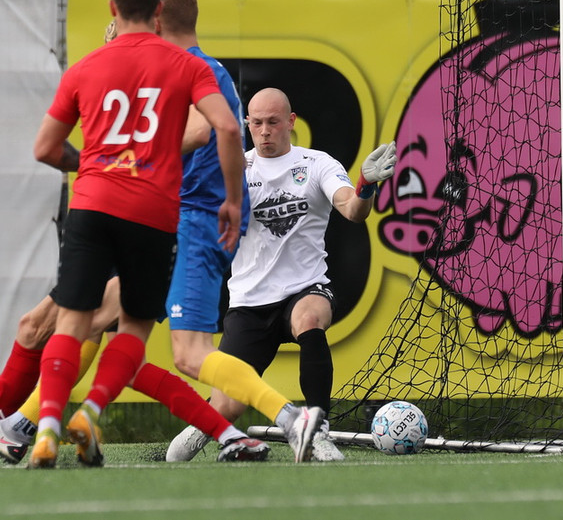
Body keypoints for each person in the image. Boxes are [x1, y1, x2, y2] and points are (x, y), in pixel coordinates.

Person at [0, 0, 272, 465]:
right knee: (79, 336)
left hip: (148, 216)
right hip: (128, 213)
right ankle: (15, 430)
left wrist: (125, 160)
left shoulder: (174, 70)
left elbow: (203, 130)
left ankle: (13, 432)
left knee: (97, 333)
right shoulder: (148, 72)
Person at [28, 0, 251, 469]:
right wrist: (233, 200)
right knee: (129, 329)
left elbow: (44, 148)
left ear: (113, 8)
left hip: (95, 204)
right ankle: (86, 414)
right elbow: (225, 128)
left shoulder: (89, 66)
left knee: (72, 323)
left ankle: (44, 429)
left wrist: (90, 165)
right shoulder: (183, 66)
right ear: (155, 12)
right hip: (151, 210)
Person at [167, 87, 397, 462]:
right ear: (247, 124)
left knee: (310, 319)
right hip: (249, 301)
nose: (264, 131)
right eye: (256, 123)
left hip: (305, 288)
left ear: (291, 122)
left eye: (273, 122)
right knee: (228, 406)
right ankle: (199, 428)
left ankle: (317, 430)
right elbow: (200, 223)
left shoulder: (317, 163)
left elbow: (353, 210)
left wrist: (366, 185)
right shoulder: (233, 169)